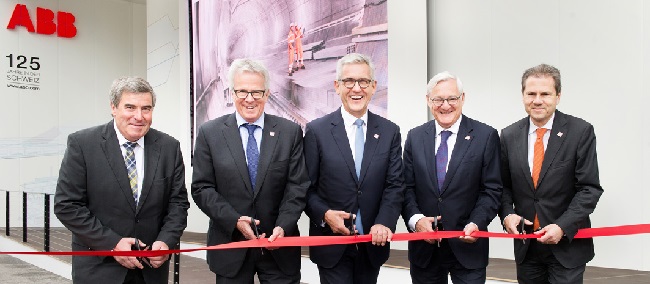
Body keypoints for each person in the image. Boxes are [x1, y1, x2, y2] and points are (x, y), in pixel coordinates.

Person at [54, 76, 190, 284]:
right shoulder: (82, 144)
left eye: (146, 108)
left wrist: (166, 241)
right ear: (113, 107)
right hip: (98, 270)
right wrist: (112, 243)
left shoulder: (169, 148)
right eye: (130, 107)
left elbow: (178, 204)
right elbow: (67, 206)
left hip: (151, 271)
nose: (139, 116)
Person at [191, 58, 310, 283]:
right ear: (231, 93)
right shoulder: (210, 133)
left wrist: (283, 226)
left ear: (266, 94)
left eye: (256, 92)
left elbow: (297, 186)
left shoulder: (290, 132)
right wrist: (233, 220)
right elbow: (202, 188)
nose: (249, 99)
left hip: (279, 247)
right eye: (242, 92)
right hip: (230, 246)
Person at [303, 53, 404, 284]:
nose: (356, 88)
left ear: (373, 86)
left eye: (363, 82)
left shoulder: (390, 132)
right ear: (337, 86)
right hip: (331, 245)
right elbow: (305, 188)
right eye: (349, 81)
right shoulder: (317, 131)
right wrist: (325, 215)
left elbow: (394, 186)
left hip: (372, 244)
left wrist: (384, 222)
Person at [499, 63, 604, 283]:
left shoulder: (580, 132)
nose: (537, 100)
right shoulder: (509, 135)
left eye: (545, 93)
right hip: (527, 249)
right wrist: (508, 214)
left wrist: (562, 226)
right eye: (531, 93)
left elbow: (589, 189)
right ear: (523, 96)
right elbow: (503, 186)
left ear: (558, 96)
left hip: (567, 246)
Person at [401, 72, 502, 283]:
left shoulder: (485, 136)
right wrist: (416, 220)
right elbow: (406, 188)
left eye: (452, 99)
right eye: (438, 99)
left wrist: (477, 222)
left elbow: (491, 190)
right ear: (428, 100)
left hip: (468, 247)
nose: (445, 105)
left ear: (462, 98)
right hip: (424, 249)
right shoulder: (415, 137)